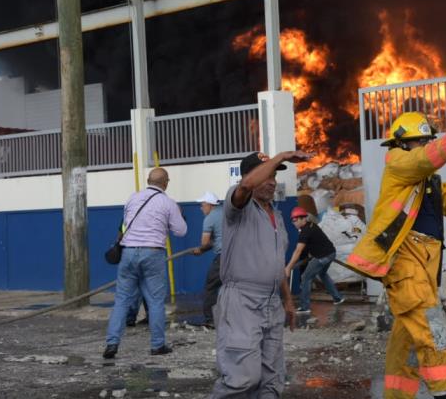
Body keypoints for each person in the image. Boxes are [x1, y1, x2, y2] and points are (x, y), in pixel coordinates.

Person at [345, 111, 446, 399]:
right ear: (403, 143)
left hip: (424, 268)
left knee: (405, 344)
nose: (427, 146)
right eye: (423, 141)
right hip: (406, 265)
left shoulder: (427, 181)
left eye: (429, 141)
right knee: (434, 333)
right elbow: (423, 159)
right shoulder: (398, 163)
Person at [208, 150, 312, 398]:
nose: (272, 181)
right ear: (249, 176)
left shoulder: (275, 215)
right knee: (242, 378)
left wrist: (287, 301)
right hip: (241, 302)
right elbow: (245, 186)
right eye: (266, 175)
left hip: (271, 303)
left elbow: (277, 265)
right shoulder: (238, 207)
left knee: (271, 381)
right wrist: (282, 156)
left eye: (274, 176)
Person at [103, 167, 188, 359]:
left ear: (148, 181)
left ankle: (112, 344)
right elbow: (181, 231)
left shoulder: (133, 198)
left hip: (129, 252)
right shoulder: (168, 203)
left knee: (122, 301)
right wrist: (178, 216)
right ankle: (157, 345)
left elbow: (125, 224)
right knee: (155, 301)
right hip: (153, 253)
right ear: (166, 182)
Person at [284, 206, 344, 314]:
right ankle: (338, 298)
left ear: (303, 219)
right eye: (292, 220)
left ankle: (305, 307)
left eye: (295, 220)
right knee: (323, 274)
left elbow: (298, 251)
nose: (293, 223)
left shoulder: (305, 231)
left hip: (322, 257)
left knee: (305, 277)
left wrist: (288, 267)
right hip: (331, 253)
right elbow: (308, 246)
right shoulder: (311, 225)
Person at [192, 191, 224, 327]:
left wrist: (199, 250)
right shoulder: (226, 212)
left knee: (210, 287)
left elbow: (205, 243)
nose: (201, 208)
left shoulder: (210, 218)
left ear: (210, 205)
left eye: (202, 205)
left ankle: (210, 320)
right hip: (239, 255)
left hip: (223, 257)